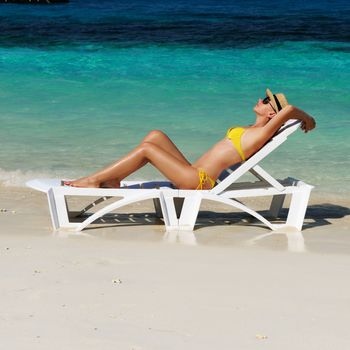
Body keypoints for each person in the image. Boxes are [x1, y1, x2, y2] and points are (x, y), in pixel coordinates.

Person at [64, 88, 316, 190]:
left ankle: (96, 180)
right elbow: (286, 110)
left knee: (147, 149)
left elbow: (290, 108)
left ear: (272, 112)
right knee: (155, 135)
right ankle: (115, 178)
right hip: (193, 171)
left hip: (199, 181)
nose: (259, 100)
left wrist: (309, 120)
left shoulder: (261, 133)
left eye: (265, 100)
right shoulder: (251, 127)